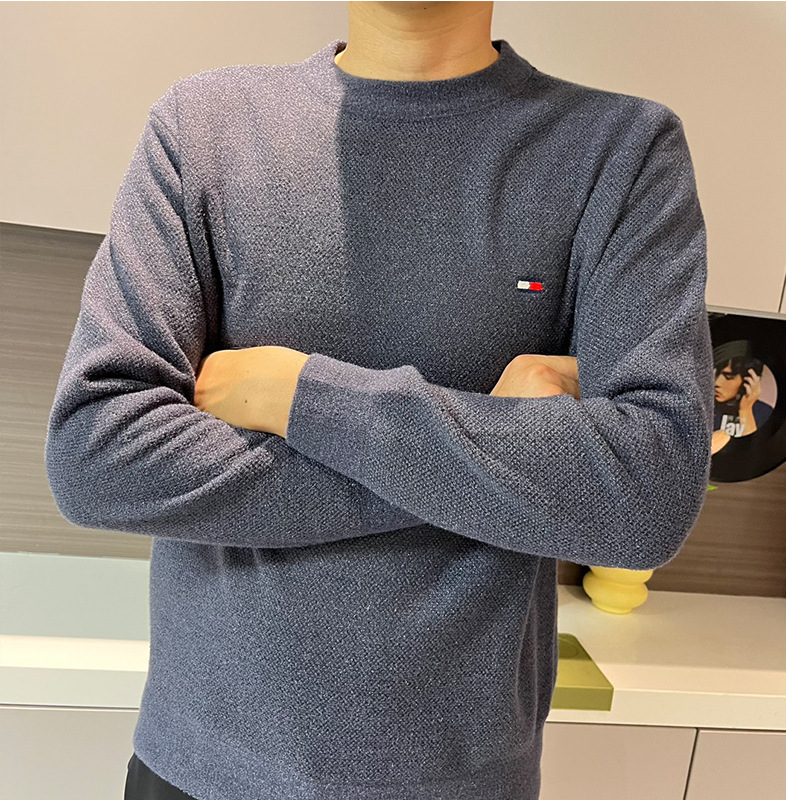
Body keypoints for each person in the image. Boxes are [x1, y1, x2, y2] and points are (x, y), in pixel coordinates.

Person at [45, 3, 714, 799]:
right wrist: (486, 443)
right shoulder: (203, 128)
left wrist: (301, 396)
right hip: (194, 769)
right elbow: (97, 455)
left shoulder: (622, 151)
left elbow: (647, 497)